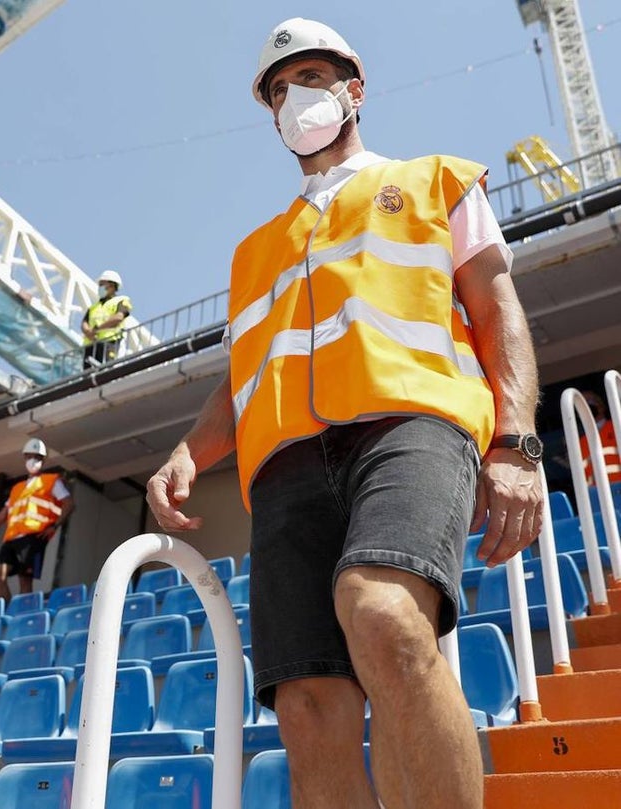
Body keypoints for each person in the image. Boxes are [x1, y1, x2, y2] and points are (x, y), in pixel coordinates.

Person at [146, 19, 542, 809]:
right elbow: (243, 374)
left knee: (385, 614)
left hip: (412, 427)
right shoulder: (255, 251)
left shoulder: (436, 183)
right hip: (285, 466)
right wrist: (190, 449)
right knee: (308, 708)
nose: (297, 98)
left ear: (355, 89)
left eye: (314, 76)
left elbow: (499, 311)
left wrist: (517, 443)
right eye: (278, 90)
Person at [0, 438, 74, 602]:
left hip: (34, 536)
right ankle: (6, 614)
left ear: (43, 460)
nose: (33, 460)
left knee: (25, 579)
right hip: (12, 538)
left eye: (38, 457)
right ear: (25, 457)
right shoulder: (17, 488)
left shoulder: (51, 481)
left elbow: (69, 503)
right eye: (30, 456)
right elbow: (2, 515)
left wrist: (55, 525)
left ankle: (23, 617)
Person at [81, 270, 132, 368]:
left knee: (105, 370)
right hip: (91, 345)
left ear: (112, 285)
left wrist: (96, 329)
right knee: (87, 376)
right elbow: (84, 323)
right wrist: (88, 332)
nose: (100, 288)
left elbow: (118, 317)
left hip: (109, 343)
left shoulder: (121, 301)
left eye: (102, 284)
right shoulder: (94, 307)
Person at [577, 391, 620, 486]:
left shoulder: (617, 426)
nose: (586, 405)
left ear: (601, 406)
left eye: (589, 401)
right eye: (582, 403)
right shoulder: (580, 442)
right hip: (598, 493)